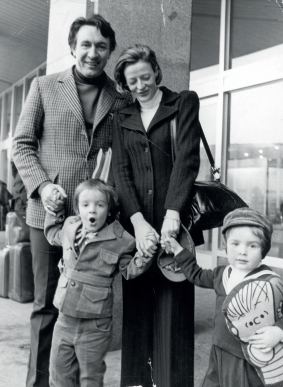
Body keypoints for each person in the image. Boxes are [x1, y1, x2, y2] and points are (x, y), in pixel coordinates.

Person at [12, 14, 131, 387]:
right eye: (86, 44)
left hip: (97, 219)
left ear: (109, 51)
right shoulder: (45, 86)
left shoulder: (121, 97)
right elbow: (21, 144)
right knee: (47, 305)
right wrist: (43, 186)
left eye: (100, 46)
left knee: (87, 307)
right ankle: (38, 383)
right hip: (48, 214)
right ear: (72, 47)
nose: (92, 53)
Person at [112, 44, 203, 387]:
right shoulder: (122, 117)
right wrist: (136, 221)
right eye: (132, 80)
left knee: (173, 314)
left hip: (173, 228)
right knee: (136, 317)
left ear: (157, 72)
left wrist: (172, 214)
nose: (140, 86)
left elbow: (187, 161)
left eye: (145, 77)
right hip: (136, 230)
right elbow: (121, 172)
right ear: (124, 82)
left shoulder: (183, 102)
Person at [44, 178, 153, 387]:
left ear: (109, 210)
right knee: (58, 375)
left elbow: (129, 271)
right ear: (77, 208)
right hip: (64, 318)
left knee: (90, 378)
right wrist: (54, 212)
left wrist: (145, 255)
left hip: (94, 323)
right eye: (85, 205)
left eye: (99, 205)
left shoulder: (122, 239)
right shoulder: (70, 226)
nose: (92, 210)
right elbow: (52, 235)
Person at [166, 207, 283, 387]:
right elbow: (195, 274)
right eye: (235, 244)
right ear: (225, 246)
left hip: (247, 356)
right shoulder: (221, 274)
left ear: (263, 250)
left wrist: (278, 332)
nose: (242, 251)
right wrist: (178, 250)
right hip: (219, 348)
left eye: (252, 245)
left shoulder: (270, 282)